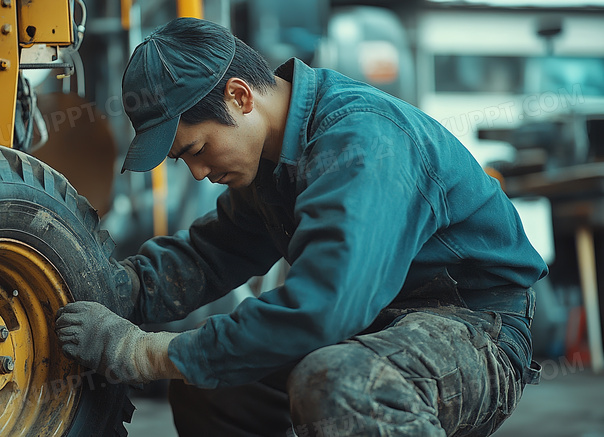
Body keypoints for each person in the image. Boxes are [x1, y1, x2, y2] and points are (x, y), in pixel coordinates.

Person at [54, 17, 547, 436]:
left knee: (343, 383)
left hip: (475, 330)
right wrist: (113, 287)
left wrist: (148, 352)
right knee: (214, 389)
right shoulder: (273, 163)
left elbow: (321, 307)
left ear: (239, 96)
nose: (199, 173)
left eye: (197, 150)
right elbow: (210, 255)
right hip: (377, 322)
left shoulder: (359, 141)